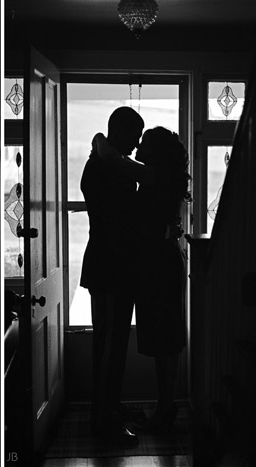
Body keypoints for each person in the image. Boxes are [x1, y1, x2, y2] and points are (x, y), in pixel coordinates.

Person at [93, 126, 190, 434]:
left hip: (160, 263)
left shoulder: (155, 175)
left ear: (156, 151)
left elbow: (112, 157)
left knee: (165, 340)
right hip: (157, 261)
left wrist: (98, 138)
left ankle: (165, 408)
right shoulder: (159, 175)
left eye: (144, 143)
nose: (137, 148)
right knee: (162, 339)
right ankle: (165, 407)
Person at [79, 106, 143, 446]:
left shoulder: (100, 163)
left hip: (104, 265)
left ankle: (108, 410)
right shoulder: (109, 168)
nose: (135, 144)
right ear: (117, 130)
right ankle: (104, 421)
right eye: (133, 135)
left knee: (108, 344)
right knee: (111, 347)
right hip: (112, 267)